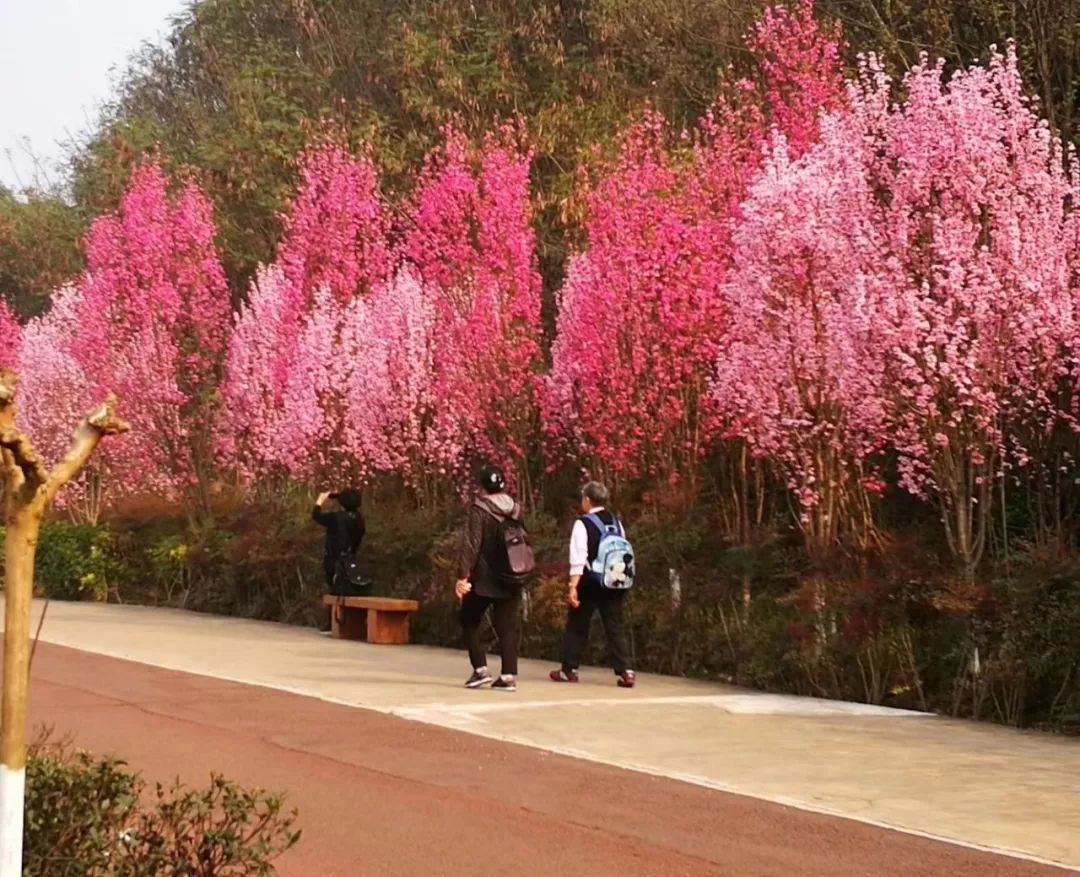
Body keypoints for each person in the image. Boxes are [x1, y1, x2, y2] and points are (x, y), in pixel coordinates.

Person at [550, 481, 636, 688]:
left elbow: (579, 557)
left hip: (590, 581)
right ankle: (626, 671)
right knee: (615, 625)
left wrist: (573, 587)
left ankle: (569, 670)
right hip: (615, 580)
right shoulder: (616, 522)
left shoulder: (583, 523)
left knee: (578, 625)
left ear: (588, 499)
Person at [455, 465, 526, 692]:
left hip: (485, 577)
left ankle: (480, 670)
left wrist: (462, 575)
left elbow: (471, 545)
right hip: (513, 573)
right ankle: (508, 676)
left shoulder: (480, 508)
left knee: (469, 618)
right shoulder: (516, 508)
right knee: (507, 626)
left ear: (483, 485)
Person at [312, 488, 366, 594]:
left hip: (334, 560)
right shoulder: (359, 519)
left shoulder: (335, 518)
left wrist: (319, 501)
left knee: (335, 589)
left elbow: (316, 515)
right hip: (350, 560)